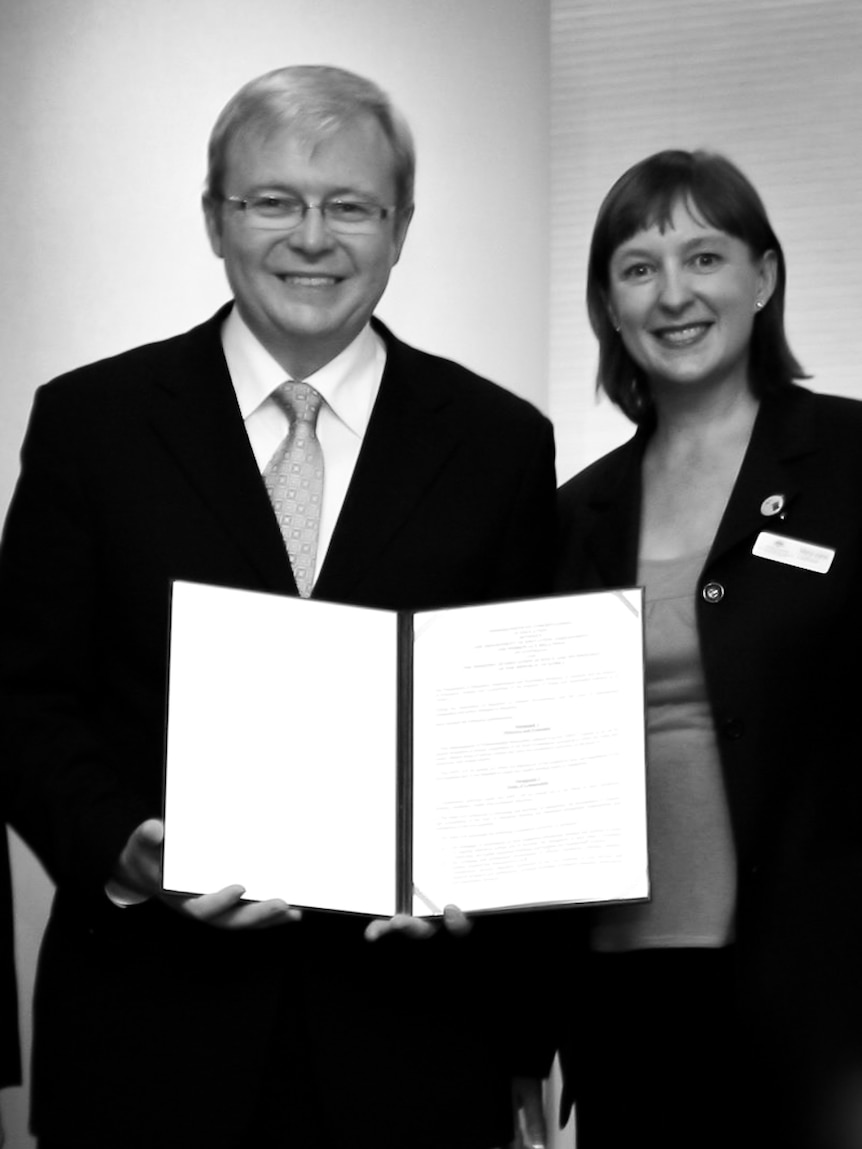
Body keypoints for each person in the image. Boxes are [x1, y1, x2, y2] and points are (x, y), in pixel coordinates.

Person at [0, 65, 556, 1149]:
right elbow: (19, 695)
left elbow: (517, 718)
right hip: (147, 1034)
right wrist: (124, 847)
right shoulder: (90, 424)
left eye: (350, 205)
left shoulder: (498, 443)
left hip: (412, 1041)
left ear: (400, 229)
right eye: (273, 202)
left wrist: (486, 870)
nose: (313, 237)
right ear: (214, 218)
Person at [555, 149, 862, 1149]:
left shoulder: (852, 462)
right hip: (618, 991)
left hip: (822, 986)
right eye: (637, 267)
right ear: (606, 304)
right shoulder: (568, 516)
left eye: (704, 256)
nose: (673, 293)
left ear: (763, 277)